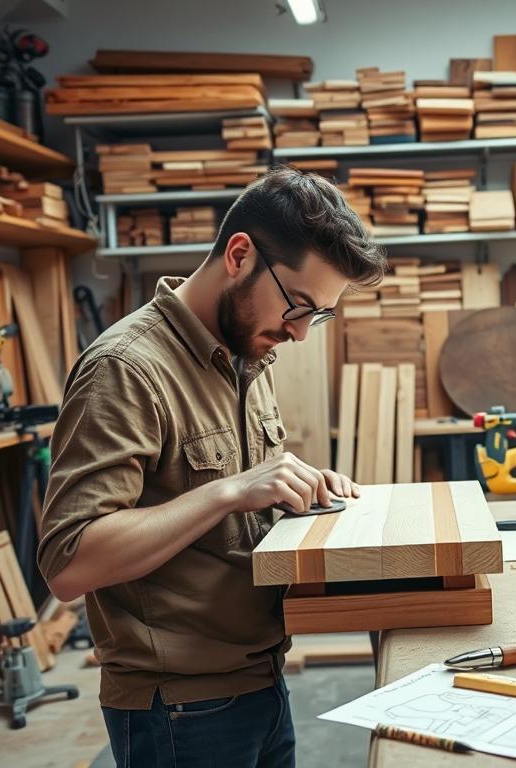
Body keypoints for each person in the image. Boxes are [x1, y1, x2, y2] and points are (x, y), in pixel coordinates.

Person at [38, 167, 386, 767]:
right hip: (180, 708)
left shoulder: (243, 352)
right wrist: (230, 492)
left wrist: (294, 487)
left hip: (260, 678)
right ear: (240, 254)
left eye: (318, 316)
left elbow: (224, 498)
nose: (300, 334)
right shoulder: (126, 369)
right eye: (299, 306)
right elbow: (69, 563)